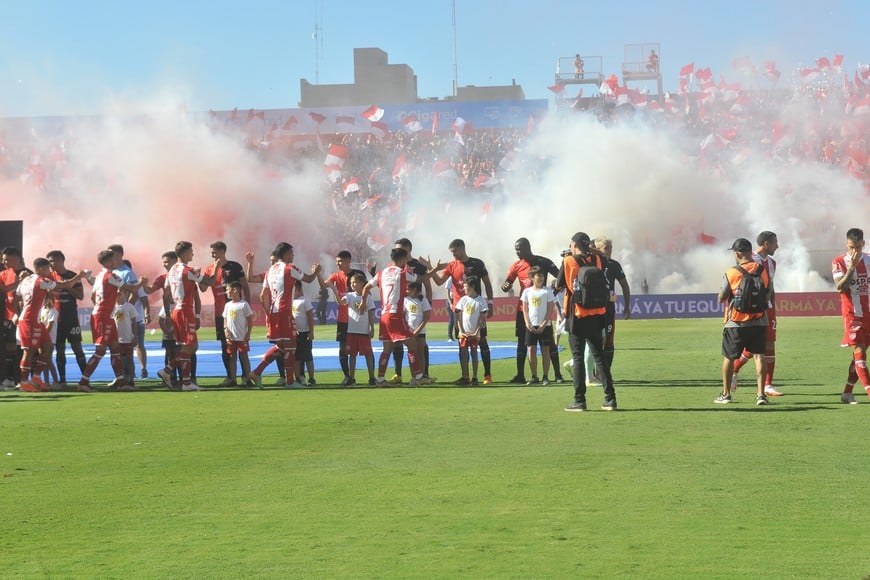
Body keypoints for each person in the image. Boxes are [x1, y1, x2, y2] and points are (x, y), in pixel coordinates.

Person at [557, 232, 617, 411]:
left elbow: (559, 285)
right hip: (597, 314)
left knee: (578, 358)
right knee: (600, 357)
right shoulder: (597, 259)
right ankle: (610, 399)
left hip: (577, 315)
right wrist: (590, 250)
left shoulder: (568, 261)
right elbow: (603, 258)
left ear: (574, 245)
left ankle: (579, 401)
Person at [362, 247, 438, 386]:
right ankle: (418, 378)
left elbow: (366, 287)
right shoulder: (402, 273)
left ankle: (380, 379)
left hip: (384, 315)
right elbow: (422, 279)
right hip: (396, 315)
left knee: (387, 349)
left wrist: (362, 303)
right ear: (403, 259)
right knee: (412, 345)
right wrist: (435, 269)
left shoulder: (381, 273)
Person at [249, 242, 320, 389]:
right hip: (285, 311)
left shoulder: (270, 271)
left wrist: (268, 313)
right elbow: (308, 279)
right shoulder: (290, 268)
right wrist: (315, 271)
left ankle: (256, 372)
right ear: (286, 253)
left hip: (274, 312)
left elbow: (263, 295)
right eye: (292, 253)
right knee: (291, 346)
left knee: (281, 346)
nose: (293, 255)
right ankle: (289, 382)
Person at [714, 238, 771, 406]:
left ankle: (726, 394)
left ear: (738, 254)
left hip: (736, 322)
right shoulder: (762, 270)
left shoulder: (732, 272)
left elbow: (721, 298)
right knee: (759, 356)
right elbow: (767, 294)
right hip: (759, 320)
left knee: (729, 358)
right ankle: (761, 395)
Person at [15, 258, 85, 391]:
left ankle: (36, 377)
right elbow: (65, 285)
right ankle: (24, 382)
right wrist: (79, 276)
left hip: (36, 320)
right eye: (48, 268)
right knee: (29, 351)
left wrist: (18, 313)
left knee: (48, 347)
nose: (50, 271)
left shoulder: (25, 279)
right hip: (29, 320)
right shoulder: (42, 281)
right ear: (41, 269)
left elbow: (17, 297)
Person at [79, 249, 145, 392]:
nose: (117, 261)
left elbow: (93, 297)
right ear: (110, 261)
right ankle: (83, 382)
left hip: (103, 315)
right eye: (115, 259)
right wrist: (141, 283)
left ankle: (121, 383)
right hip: (103, 316)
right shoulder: (111, 276)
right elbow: (131, 288)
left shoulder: (99, 276)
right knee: (100, 350)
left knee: (115, 348)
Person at [431, 239, 495, 383]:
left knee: (482, 341)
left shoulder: (477, 263)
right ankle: (465, 376)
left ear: (462, 248)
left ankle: (487, 375)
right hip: (460, 312)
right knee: (462, 343)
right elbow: (439, 282)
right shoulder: (451, 265)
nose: (453, 255)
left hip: (476, 311)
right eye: (451, 252)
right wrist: (432, 269)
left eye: (455, 251)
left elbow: (487, 283)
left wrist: (490, 303)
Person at [501, 237, 559, 384]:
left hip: (542, 310)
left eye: (519, 249)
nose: (517, 252)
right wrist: (505, 286)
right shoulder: (516, 266)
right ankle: (521, 375)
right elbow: (507, 282)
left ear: (527, 248)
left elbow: (560, 276)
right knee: (523, 342)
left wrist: (554, 290)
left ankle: (557, 374)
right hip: (524, 310)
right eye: (515, 250)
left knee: (548, 344)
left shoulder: (543, 262)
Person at [156, 241, 212, 392]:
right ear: (185, 253)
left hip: (176, 310)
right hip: (185, 311)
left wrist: (168, 314)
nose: (193, 254)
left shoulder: (171, 271)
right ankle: (167, 370)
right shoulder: (187, 271)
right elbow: (209, 282)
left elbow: (166, 294)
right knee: (191, 346)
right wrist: (216, 266)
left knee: (186, 346)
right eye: (191, 251)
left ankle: (186, 382)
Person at [730, 231, 781, 397]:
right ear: (766, 244)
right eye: (775, 243)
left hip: (767, 308)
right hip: (749, 310)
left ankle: (768, 385)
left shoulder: (772, 263)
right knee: (753, 346)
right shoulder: (749, 259)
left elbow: (770, 286)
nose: (777, 246)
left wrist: (772, 306)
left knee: (769, 344)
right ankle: (734, 370)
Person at [199, 241, 250, 387]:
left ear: (222, 251)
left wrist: (247, 304)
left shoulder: (235, 266)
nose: (212, 255)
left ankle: (246, 377)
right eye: (211, 253)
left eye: (214, 252)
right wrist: (198, 278)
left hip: (238, 313)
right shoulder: (210, 269)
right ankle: (230, 377)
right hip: (221, 314)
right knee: (225, 346)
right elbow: (203, 288)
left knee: (242, 346)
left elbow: (244, 285)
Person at [584, 235, 632, 385]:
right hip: (592, 309)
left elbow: (624, 285)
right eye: (606, 248)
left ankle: (604, 375)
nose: (609, 250)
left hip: (608, 310)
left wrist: (627, 305)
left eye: (611, 247)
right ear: (597, 249)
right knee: (593, 342)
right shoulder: (589, 263)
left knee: (609, 342)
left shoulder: (614, 265)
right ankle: (588, 373)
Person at [385, 238, 433, 383]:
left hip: (414, 308)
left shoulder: (418, 265)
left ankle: (423, 374)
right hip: (397, 308)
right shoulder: (392, 266)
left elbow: (427, 286)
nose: (398, 252)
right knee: (397, 342)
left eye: (400, 249)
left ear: (408, 249)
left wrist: (427, 305)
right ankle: (397, 374)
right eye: (396, 249)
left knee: (420, 344)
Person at [832, 228, 870, 404]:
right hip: (853, 315)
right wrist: (852, 268)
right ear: (846, 244)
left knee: (859, 357)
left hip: (868, 315)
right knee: (859, 353)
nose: (854, 251)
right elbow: (840, 288)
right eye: (850, 247)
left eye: (857, 247)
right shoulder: (839, 262)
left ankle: (847, 393)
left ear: (863, 244)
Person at [318, 250, 366, 386]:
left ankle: (372, 377)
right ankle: (348, 377)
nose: (337, 264)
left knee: (364, 349)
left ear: (347, 261)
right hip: (343, 319)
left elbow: (366, 291)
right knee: (343, 348)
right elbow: (324, 285)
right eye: (337, 261)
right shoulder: (336, 276)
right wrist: (317, 274)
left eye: (340, 261)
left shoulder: (358, 275)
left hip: (357, 319)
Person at [45, 250, 88, 388]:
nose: (50, 264)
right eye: (49, 262)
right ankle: (62, 380)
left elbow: (80, 296)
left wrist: (68, 287)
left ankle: (85, 379)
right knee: (59, 350)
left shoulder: (73, 276)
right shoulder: (48, 277)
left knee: (77, 348)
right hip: (56, 319)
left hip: (71, 318)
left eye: (52, 261)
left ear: (61, 260)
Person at [108, 244, 150, 379]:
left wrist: (125, 309)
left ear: (120, 255)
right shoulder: (110, 272)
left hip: (132, 317)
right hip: (118, 317)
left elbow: (136, 293)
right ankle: (123, 375)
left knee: (135, 345)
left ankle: (136, 373)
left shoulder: (127, 273)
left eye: (113, 254)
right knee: (119, 346)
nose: (110, 258)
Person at [520, 266, 558, 385]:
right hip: (531, 325)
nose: (541, 278)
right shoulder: (527, 291)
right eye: (538, 276)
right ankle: (534, 376)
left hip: (545, 326)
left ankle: (545, 376)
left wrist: (543, 324)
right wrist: (527, 323)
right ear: (532, 277)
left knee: (545, 350)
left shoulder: (547, 291)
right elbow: (525, 309)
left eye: (542, 276)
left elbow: (550, 310)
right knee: (531, 350)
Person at [341, 272, 376, 386]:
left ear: (362, 283)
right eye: (351, 283)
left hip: (363, 331)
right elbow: (341, 302)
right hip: (352, 330)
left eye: (355, 282)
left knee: (368, 354)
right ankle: (352, 377)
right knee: (352, 355)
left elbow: (370, 313)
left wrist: (372, 328)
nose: (352, 285)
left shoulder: (368, 297)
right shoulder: (350, 296)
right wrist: (334, 290)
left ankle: (372, 377)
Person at [1, 246, 28, 388]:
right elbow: (3, 289)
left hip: (26, 317)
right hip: (10, 317)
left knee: (25, 349)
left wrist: (20, 313)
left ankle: (24, 379)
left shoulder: (29, 274)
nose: (3, 262)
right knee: (10, 348)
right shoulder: (4, 274)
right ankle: (10, 379)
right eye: (3, 259)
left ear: (15, 258)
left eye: (6, 259)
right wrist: (18, 282)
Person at [455, 276, 487, 385]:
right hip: (464, 332)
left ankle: (474, 376)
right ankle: (465, 375)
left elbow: (482, 319)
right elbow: (458, 317)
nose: (464, 289)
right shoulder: (463, 299)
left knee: (474, 353)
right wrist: (461, 331)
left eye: (466, 287)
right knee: (463, 353)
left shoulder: (480, 300)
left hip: (474, 332)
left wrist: (475, 332)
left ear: (473, 287)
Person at [222, 280, 254, 388]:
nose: (226, 292)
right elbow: (225, 319)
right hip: (231, 337)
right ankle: (233, 379)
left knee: (244, 357)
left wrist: (248, 334)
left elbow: (250, 320)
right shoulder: (227, 305)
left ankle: (248, 378)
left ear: (235, 290)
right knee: (232, 358)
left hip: (242, 336)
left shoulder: (244, 305)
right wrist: (226, 330)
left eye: (228, 289)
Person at [112, 287, 140, 391]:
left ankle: (131, 379)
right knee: (118, 361)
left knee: (129, 360)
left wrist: (135, 336)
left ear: (125, 295)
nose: (118, 295)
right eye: (117, 293)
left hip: (127, 338)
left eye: (120, 293)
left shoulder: (129, 307)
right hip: (116, 340)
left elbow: (134, 323)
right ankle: (120, 379)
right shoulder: (112, 307)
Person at [404, 280, 432, 383]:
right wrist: (408, 329)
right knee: (412, 353)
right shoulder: (406, 300)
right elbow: (403, 316)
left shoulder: (422, 300)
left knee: (420, 354)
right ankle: (414, 376)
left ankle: (422, 376)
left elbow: (426, 317)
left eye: (408, 289)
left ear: (415, 289)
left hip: (420, 332)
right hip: (409, 331)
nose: (406, 291)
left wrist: (417, 331)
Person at [292, 280, 316, 386]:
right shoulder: (290, 301)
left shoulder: (304, 301)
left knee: (308, 357)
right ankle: (298, 378)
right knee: (296, 358)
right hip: (294, 334)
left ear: (298, 290)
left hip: (305, 333)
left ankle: (311, 378)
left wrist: (311, 331)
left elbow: (310, 316)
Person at [445, 277, 456, 342]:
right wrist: (450, 303)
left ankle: (459, 335)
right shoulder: (450, 279)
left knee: (459, 319)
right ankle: (450, 336)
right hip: (451, 299)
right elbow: (447, 292)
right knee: (452, 319)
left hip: (458, 299)